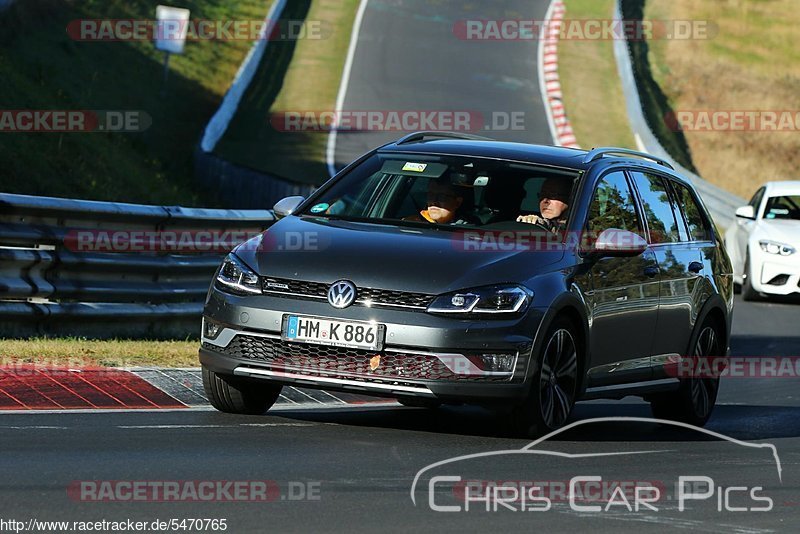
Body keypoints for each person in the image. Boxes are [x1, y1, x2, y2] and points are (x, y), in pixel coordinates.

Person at [406, 179, 473, 224]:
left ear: (457, 202)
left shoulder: (470, 231)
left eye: (442, 196)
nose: (434, 201)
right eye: (431, 195)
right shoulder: (410, 223)